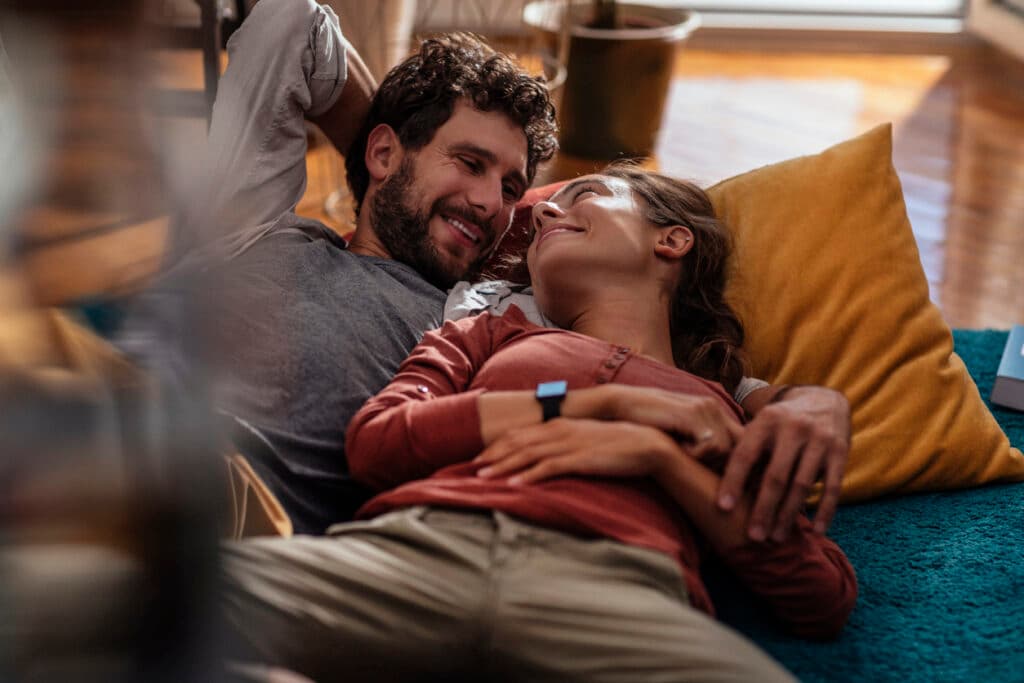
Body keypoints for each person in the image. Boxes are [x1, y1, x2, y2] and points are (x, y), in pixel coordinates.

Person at [120, 0, 849, 542]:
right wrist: (385, 166)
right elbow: (292, 25)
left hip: (210, 511)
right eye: (469, 164)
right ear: (380, 152)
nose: (493, 203)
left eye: (510, 187)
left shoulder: (486, 316)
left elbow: (657, 370)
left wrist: (810, 400)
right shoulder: (245, 225)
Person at [219, 165, 857, 682]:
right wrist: (584, 403)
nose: (546, 211)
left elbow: (819, 592)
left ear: (671, 240)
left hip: (614, 597)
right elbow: (377, 441)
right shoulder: (487, 332)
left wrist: (656, 457)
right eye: (546, 211)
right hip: (420, 556)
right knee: (142, 589)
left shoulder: (713, 404)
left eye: (586, 196)